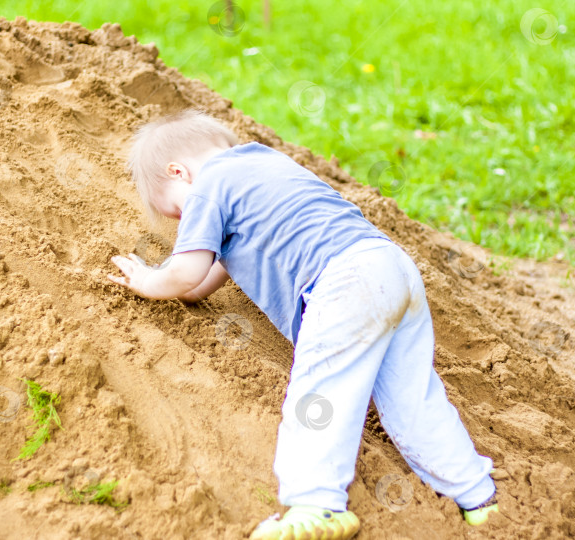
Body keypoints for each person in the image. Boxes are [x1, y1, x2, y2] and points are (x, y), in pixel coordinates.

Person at [108, 109, 499, 539]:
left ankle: (317, 503)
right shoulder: (265, 166)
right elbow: (200, 282)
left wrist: (147, 279)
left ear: (179, 172)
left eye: (178, 214)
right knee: (413, 397)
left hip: (342, 281)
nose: (187, 225)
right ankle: (477, 497)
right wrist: (181, 283)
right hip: (390, 266)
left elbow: (185, 272)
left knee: (318, 390)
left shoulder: (208, 187)